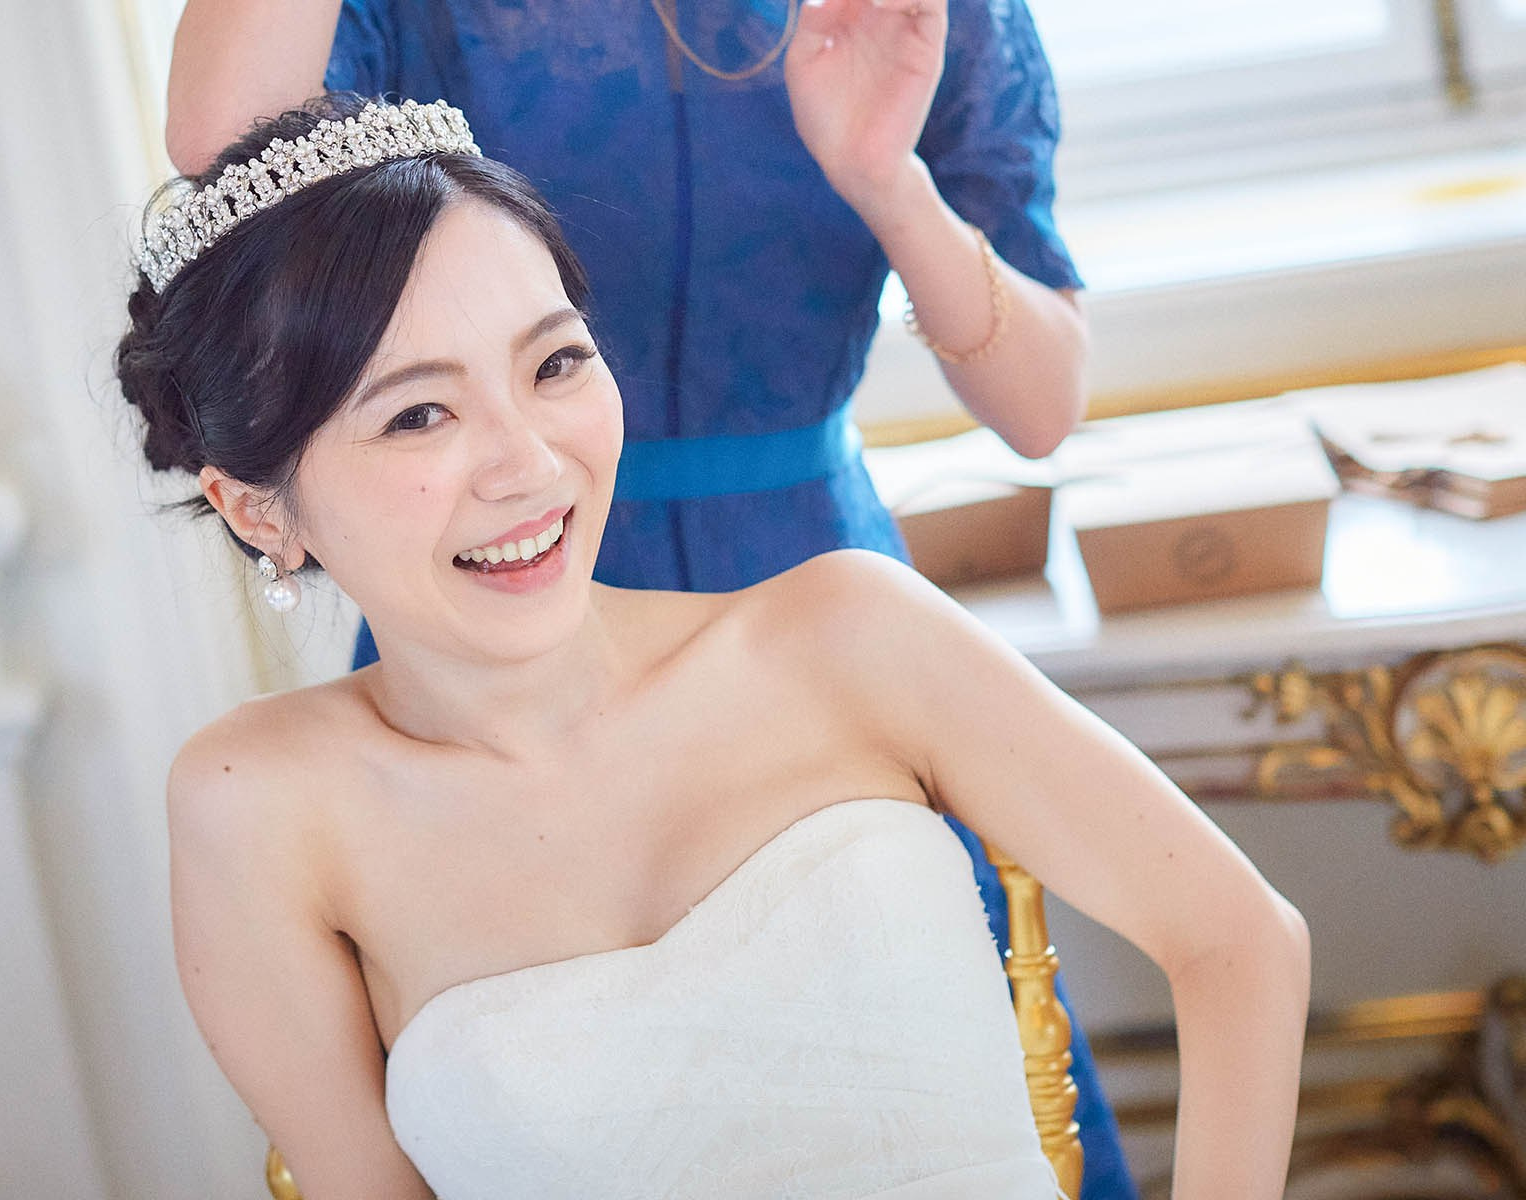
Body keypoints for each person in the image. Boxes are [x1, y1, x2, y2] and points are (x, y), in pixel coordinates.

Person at [118, 93, 1310, 1200]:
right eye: (418, 414)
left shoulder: (852, 635)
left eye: (556, 363)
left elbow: (1238, 939)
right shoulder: (262, 806)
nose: (528, 463)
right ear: (257, 510)